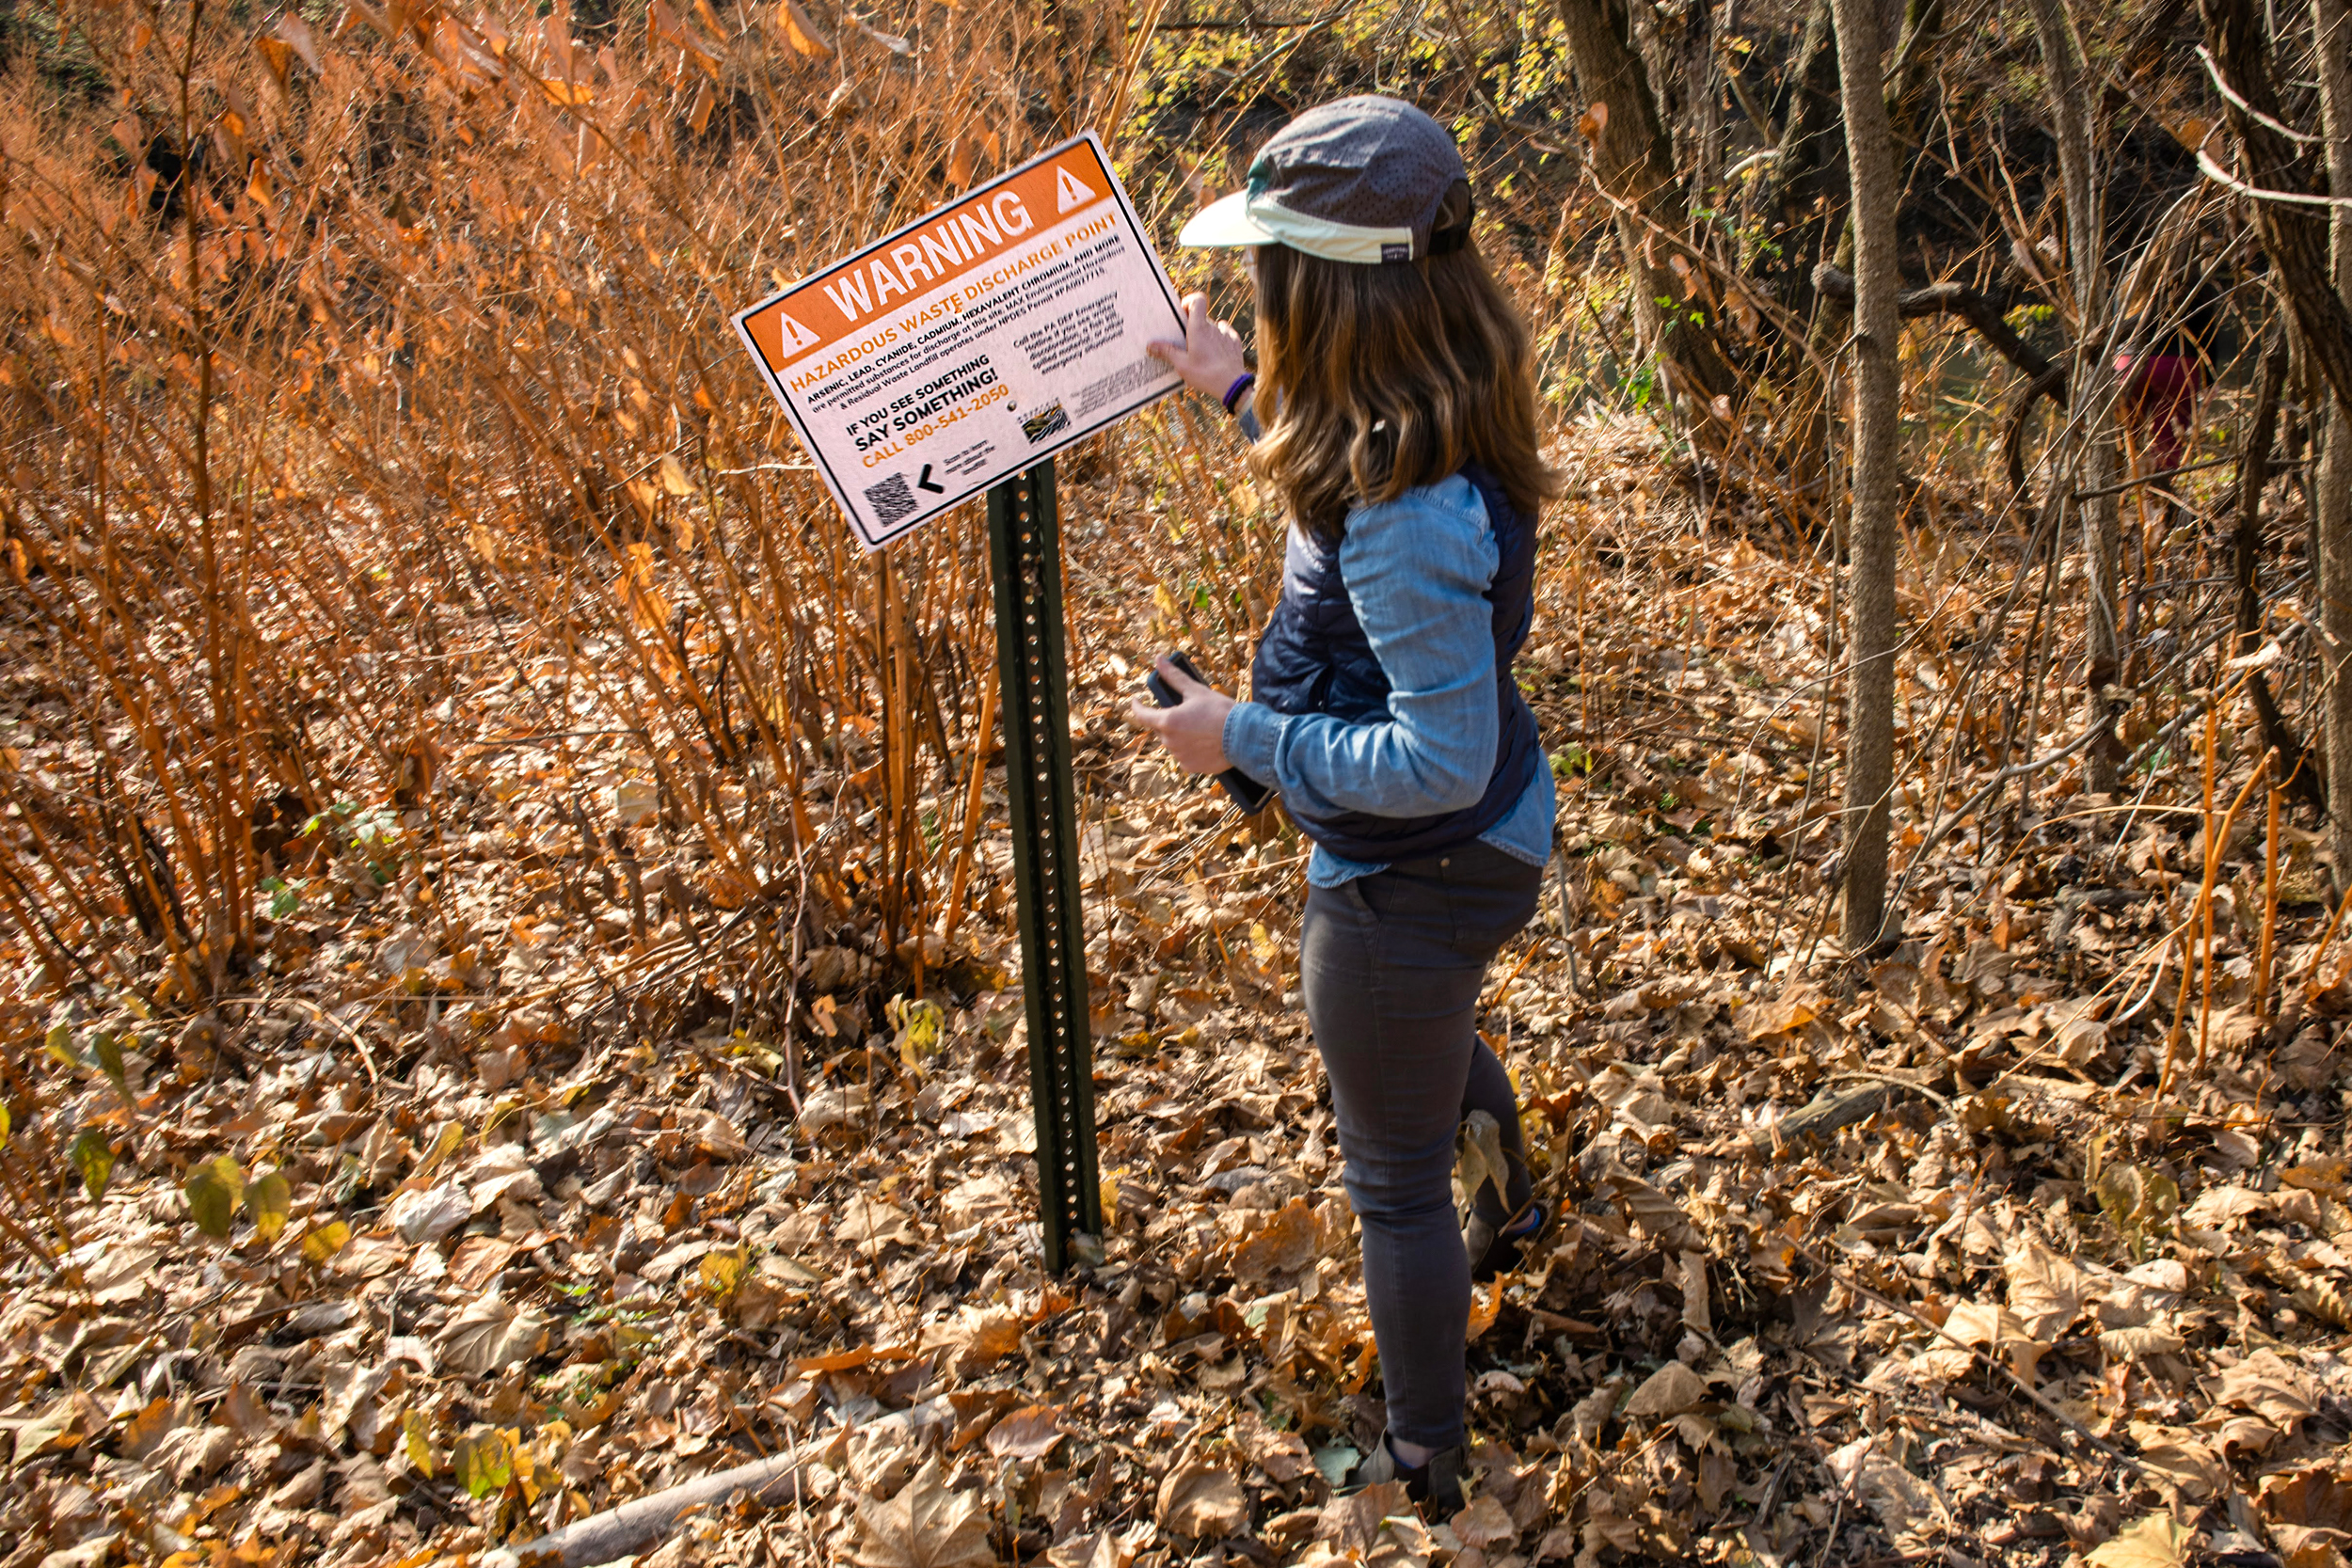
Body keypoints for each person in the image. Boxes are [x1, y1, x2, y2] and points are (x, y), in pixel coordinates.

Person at [1124, 95, 1561, 1513]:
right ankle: (1517, 1196)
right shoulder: (1431, 403)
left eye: (1273, 277)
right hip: (1484, 837)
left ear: (1330, 295)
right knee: (1432, 1038)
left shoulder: (1404, 507)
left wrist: (1235, 732)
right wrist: (1240, 390)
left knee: (1389, 1178)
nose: (1260, 290)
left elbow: (1432, 752)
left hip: (1417, 867)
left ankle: (1424, 1455)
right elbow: (1349, 507)